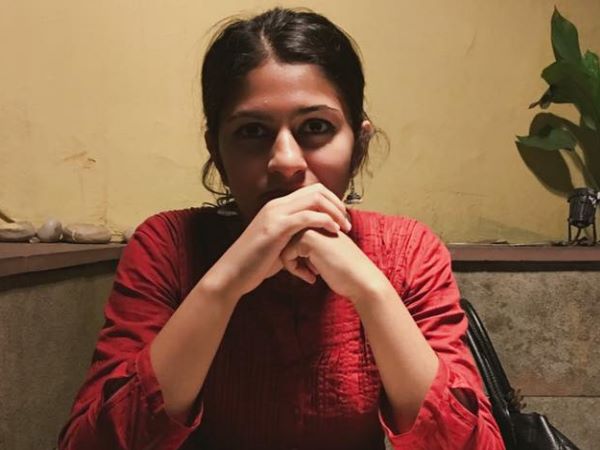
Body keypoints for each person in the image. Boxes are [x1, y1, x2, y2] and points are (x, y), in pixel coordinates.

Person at [59, 8, 505, 450]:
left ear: (358, 145)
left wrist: (371, 290)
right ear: (217, 151)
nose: (286, 162)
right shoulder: (168, 245)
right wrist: (224, 283)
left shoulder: (409, 250)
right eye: (252, 131)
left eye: (316, 127)